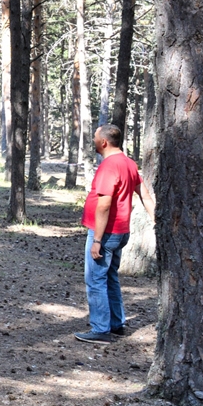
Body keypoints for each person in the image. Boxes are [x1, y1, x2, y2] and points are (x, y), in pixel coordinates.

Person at [76, 123, 155, 344]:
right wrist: (157, 220)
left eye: (94, 137)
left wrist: (97, 240)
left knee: (95, 280)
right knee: (110, 277)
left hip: (107, 233)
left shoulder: (110, 166)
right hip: (121, 232)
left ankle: (101, 329)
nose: (93, 140)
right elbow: (145, 195)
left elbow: (104, 204)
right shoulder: (129, 163)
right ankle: (116, 323)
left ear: (103, 142)